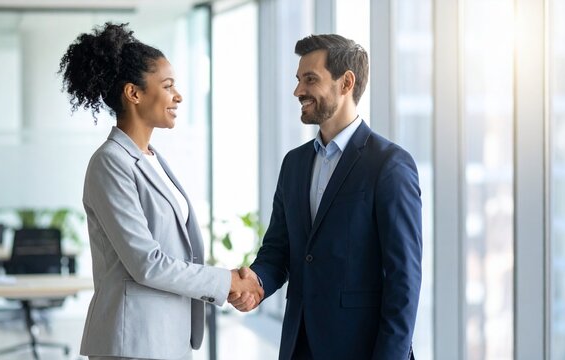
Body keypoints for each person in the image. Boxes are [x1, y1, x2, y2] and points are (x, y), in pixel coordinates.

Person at [58, 22, 263, 360]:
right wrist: (226, 282)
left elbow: (175, 249)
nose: (178, 96)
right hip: (133, 342)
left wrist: (230, 284)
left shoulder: (152, 159)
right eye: (168, 86)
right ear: (133, 93)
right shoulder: (110, 163)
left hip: (166, 337)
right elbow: (147, 263)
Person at [230, 34, 422, 359]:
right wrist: (257, 282)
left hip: (361, 349)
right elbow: (279, 250)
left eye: (310, 79)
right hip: (298, 346)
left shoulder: (389, 165)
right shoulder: (294, 163)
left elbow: (404, 280)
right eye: (298, 80)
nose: (298, 91)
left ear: (346, 82)